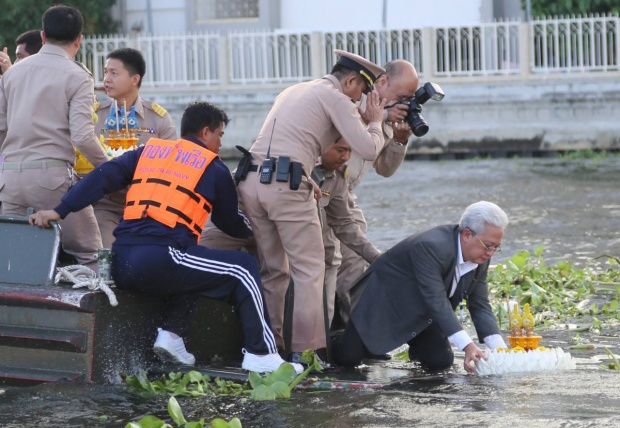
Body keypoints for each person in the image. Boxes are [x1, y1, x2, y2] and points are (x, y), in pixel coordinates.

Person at [28, 101, 303, 375]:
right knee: (243, 269)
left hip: (121, 261)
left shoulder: (148, 151)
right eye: (220, 135)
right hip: (161, 259)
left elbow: (103, 176)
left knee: (197, 261)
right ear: (206, 132)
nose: (220, 143)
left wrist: (59, 210)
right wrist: (258, 231)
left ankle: (172, 336)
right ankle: (262, 354)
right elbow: (227, 221)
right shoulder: (213, 166)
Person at [236, 49, 387, 362]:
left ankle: (271, 350)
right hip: (285, 186)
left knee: (274, 271)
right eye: (361, 91)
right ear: (349, 81)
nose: (360, 100)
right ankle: (304, 355)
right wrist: (376, 121)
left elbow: (290, 141)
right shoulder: (336, 98)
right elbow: (369, 148)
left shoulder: (293, 90)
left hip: (250, 181)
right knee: (309, 270)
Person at [332, 201, 509, 374]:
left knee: (439, 361)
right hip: (386, 302)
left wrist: (501, 351)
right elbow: (436, 299)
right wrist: (468, 346)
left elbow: (480, 304)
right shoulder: (431, 246)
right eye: (488, 246)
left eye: (496, 247)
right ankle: (333, 336)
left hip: (423, 311)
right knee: (348, 358)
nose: (491, 253)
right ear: (467, 235)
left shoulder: (481, 255)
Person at [0, 5, 109, 269]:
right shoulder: (78, 76)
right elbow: (83, 137)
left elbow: (2, 129)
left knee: (12, 264)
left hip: (10, 180)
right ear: (79, 40)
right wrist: (110, 169)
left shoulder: (12, 73)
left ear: (43, 35)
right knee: (89, 254)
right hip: (52, 181)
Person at [329, 60, 419, 326]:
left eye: (409, 99)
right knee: (335, 260)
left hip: (345, 195)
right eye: (401, 97)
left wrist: (400, 139)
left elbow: (385, 169)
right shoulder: (352, 101)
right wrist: (378, 120)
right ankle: (335, 332)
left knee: (356, 262)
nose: (403, 104)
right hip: (323, 189)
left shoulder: (386, 115)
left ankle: (354, 332)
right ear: (381, 83)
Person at [85, 47, 177, 248]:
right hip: (106, 205)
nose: (106, 79)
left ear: (135, 79)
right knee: (106, 256)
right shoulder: (94, 116)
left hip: (147, 208)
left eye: (114, 73)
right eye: (105, 72)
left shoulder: (158, 119)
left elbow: (171, 170)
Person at [314, 137, 381, 326]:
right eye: (340, 150)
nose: (346, 157)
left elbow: (343, 221)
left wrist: (376, 257)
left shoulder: (338, 174)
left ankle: (330, 340)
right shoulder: (300, 164)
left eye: (350, 151)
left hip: (321, 239)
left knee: (332, 260)